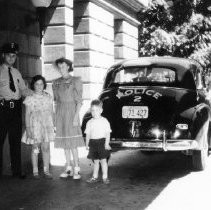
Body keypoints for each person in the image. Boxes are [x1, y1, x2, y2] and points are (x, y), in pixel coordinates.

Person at [0, 42, 31, 179]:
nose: (12, 58)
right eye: (9, 55)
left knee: (15, 141)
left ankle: (17, 172)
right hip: (2, 109)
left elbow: (23, 90)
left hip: (16, 110)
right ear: (3, 56)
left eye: (14, 56)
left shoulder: (16, 72)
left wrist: (38, 94)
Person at [52, 57, 84, 179]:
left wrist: (76, 117)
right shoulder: (55, 82)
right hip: (61, 112)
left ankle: (77, 168)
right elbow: (56, 101)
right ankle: (68, 168)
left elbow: (79, 101)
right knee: (65, 142)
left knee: (73, 143)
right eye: (59, 67)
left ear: (69, 67)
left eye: (64, 66)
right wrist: (55, 117)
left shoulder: (76, 80)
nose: (62, 69)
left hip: (71, 112)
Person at [21, 75, 55, 179]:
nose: (39, 86)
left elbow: (51, 112)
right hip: (34, 126)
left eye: (41, 84)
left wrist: (53, 125)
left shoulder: (48, 97)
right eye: (37, 84)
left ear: (44, 85)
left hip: (46, 125)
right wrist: (28, 128)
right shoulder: (30, 98)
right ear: (33, 85)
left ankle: (46, 170)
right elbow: (27, 114)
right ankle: (35, 171)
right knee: (35, 148)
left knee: (46, 147)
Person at [85, 99, 112, 184]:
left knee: (103, 161)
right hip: (93, 144)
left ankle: (105, 177)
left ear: (101, 110)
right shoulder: (89, 122)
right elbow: (88, 134)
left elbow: (108, 133)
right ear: (90, 111)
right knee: (95, 162)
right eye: (92, 110)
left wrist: (107, 144)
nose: (94, 112)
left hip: (102, 143)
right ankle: (94, 177)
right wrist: (87, 144)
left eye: (97, 110)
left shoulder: (104, 121)